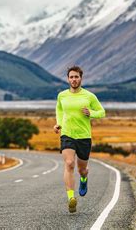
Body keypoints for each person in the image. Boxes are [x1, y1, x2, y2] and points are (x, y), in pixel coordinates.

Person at [54, 65, 106, 213]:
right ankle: (71, 198)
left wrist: (91, 113)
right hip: (67, 134)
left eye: (76, 77)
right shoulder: (62, 95)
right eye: (71, 77)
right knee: (69, 163)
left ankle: (84, 179)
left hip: (84, 136)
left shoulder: (89, 96)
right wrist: (59, 123)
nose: (74, 79)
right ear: (68, 79)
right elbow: (59, 109)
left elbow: (102, 112)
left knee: (82, 169)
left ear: (81, 78)